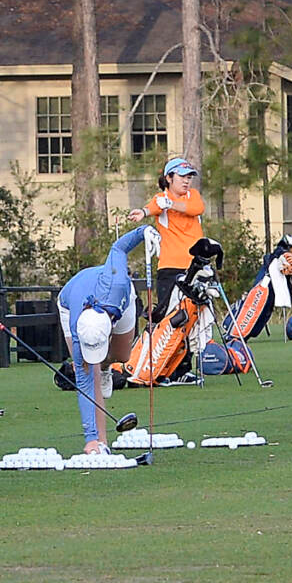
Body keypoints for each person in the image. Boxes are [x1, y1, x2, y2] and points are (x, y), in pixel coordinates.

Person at [58, 227, 149, 453]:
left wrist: (145, 231)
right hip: (70, 305)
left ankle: (107, 365)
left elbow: (119, 247)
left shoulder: (117, 283)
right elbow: (84, 382)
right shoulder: (77, 327)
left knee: (122, 356)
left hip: (121, 303)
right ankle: (101, 441)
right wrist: (92, 440)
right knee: (91, 373)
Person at [133, 156, 206, 327]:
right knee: (169, 319)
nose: (186, 181)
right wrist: (143, 212)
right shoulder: (161, 198)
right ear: (169, 178)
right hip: (170, 268)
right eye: (182, 177)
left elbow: (197, 208)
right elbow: (153, 207)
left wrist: (171, 204)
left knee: (196, 319)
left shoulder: (192, 195)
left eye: (189, 177)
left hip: (195, 268)